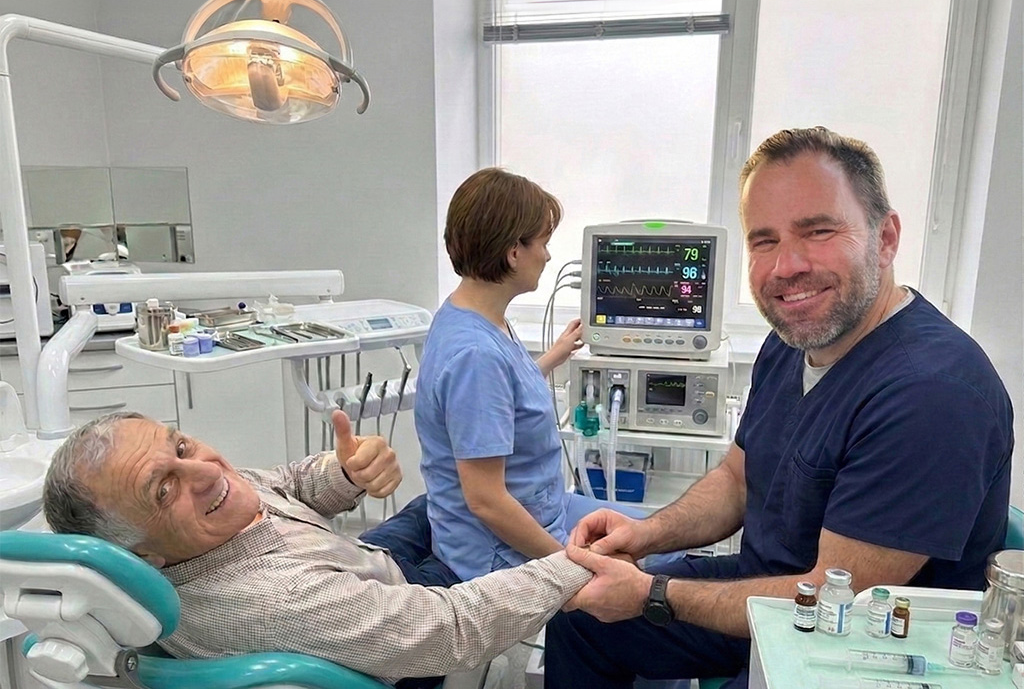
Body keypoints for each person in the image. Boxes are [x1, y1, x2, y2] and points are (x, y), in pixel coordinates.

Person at [544, 126, 1014, 689]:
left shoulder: (932, 394)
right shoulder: (796, 338)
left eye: (817, 231)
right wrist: (645, 534)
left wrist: (654, 592)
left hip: (857, 644)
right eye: (763, 241)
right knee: (580, 618)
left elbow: (837, 597)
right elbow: (739, 480)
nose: (785, 267)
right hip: (770, 588)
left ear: (885, 239)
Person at [42, 407, 609, 687]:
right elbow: (453, 627)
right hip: (406, 609)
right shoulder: (271, 600)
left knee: (446, 501)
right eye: (164, 489)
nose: (206, 472)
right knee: (488, 524)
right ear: (141, 555)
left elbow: (279, 483)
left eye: (183, 445)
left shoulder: (206, 516)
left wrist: (346, 471)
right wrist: (573, 565)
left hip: (355, 561)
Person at [415, 167, 640, 581]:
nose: (549, 256)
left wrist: (552, 357)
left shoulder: (473, 316)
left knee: (653, 533)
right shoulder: (475, 354)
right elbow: (485, 500)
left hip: (547, 509)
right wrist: (570, 568)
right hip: (497, 556)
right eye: (543, 242)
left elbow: (497, 402)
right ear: (513, 252)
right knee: (647, 567)